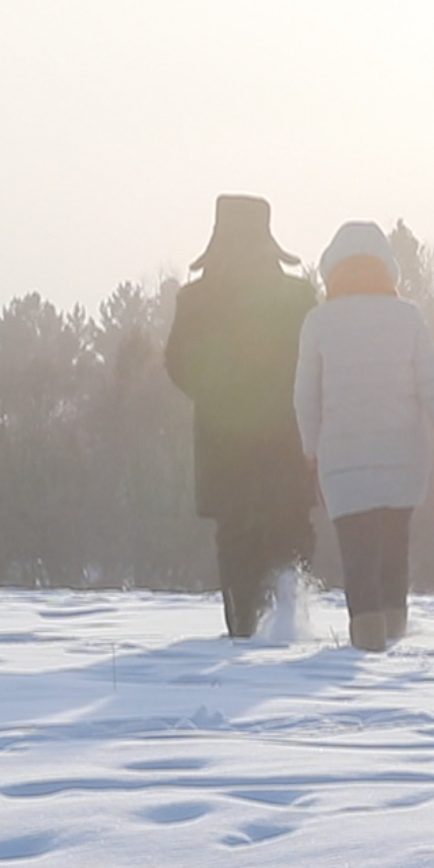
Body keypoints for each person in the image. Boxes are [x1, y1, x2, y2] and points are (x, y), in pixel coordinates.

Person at [294, 220, 434, 652]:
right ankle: (396, 641)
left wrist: (310, 452)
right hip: (403, 461)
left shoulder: (318, 323)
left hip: (343, 465)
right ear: (388, 268)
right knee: (394, 547)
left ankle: (366, 639)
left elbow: (305, 397)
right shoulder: (408, 318)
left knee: (357, 555)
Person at [164, 195, 318, 638]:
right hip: (286, 444)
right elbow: (315, 362)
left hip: (224, 449)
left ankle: (244, 630)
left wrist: (221, 395)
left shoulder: (195, 299)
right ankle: (290, 624)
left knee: (236, 544)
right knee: (289, 537)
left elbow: (177, 363)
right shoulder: (298, 297)